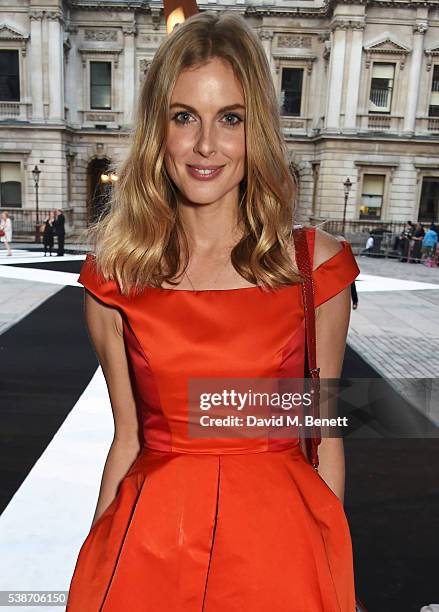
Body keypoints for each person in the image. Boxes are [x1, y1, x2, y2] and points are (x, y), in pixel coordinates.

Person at [66, 12, 360, 611]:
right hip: (152, 547)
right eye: (184, 118)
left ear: (259, 131)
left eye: (231, 119)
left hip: (280, 556)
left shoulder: (313, 268)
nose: (206, 145)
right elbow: (127, 439)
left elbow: (322, 435)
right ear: (159, 130)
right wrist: (95, 569)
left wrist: (331, 567)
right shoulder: (115, 279)